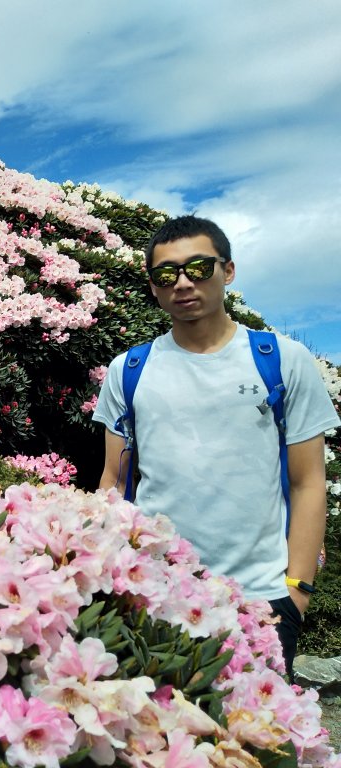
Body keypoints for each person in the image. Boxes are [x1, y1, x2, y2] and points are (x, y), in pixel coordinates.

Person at [92, 215, 340, 678]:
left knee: (254, 741)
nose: (183, 283)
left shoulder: (282, 360)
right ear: (153, 286)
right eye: (167, 274)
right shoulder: (129, 369)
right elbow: (115, 480)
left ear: (228, 271)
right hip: (155, 591)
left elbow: (308, 483)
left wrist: (297, 591)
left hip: (259, 597)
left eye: (199, 268)